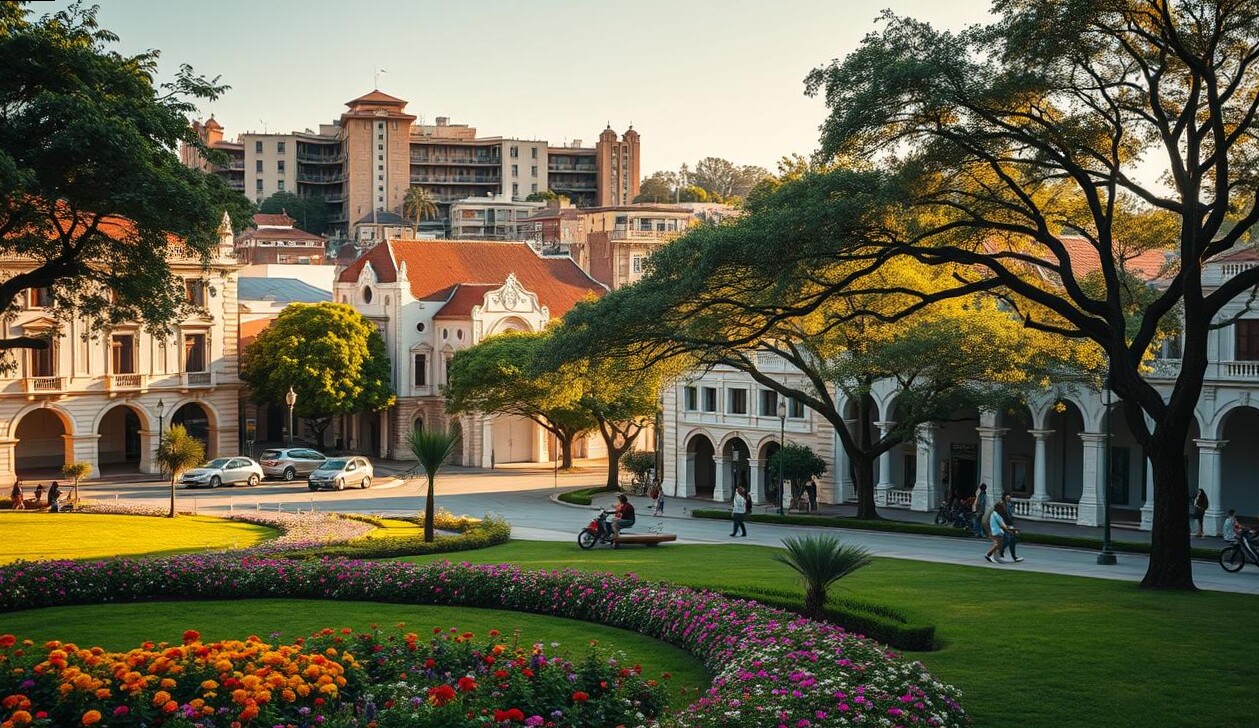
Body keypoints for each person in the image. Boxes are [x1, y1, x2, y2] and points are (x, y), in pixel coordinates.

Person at [998, 493, 1024, 562]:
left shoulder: (1010, 504)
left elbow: (1011, 514)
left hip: (1009, 524)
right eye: (1007, 497)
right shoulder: (1002, 505)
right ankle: (1001, 550)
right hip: (1004, 524)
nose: (1009, 499)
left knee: (1012, 539)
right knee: (1008, 539)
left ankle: (1013, 556)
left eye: (1009, 497)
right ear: (1004, 498)